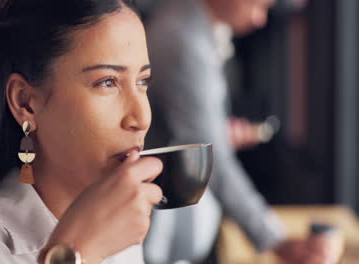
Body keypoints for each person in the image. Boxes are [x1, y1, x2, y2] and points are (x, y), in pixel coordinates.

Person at [0, 1, 164, 263]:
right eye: (107, 82)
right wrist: (77, 251)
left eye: (142, 82)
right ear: (25, 102)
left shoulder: (124, 233)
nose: (141, 118)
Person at [144, 0, 338, 263]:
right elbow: (211, 155)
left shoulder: (188, 25)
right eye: (259, 5)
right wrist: (275, 239)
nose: (260, 19)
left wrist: (218, 134)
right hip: (154, 221)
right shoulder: (184, 39)